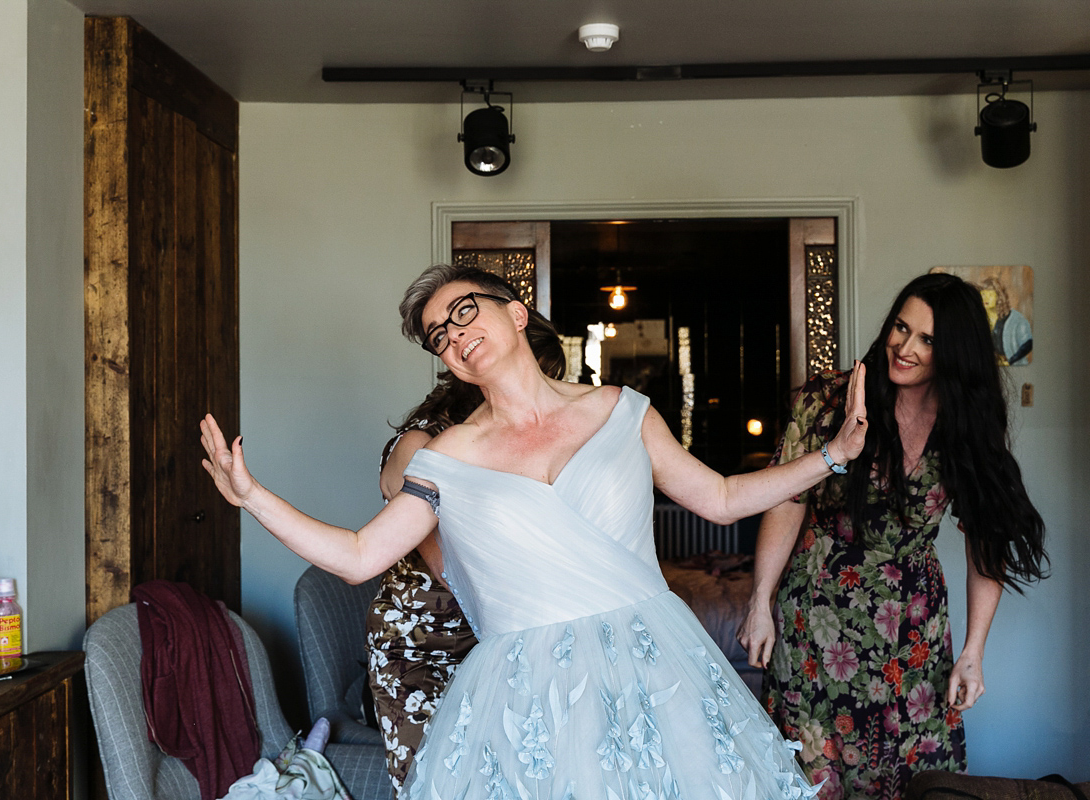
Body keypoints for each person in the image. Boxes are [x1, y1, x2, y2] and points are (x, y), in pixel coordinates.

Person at [200, 264, 869, 800]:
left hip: (652, 665)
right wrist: (252, 496)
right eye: (439, 335)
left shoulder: (620, 409)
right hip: (524, 689)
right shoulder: (448, 456)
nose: (455, 335)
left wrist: (831, 456)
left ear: (515, 314)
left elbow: (721, 499)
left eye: (466, 312)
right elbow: (358, 555)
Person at [737, 273, 1047, 800]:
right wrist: (760, 600)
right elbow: (788, 500)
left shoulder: (965, 424)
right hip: (818, 619)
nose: (904, 347)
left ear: (955, 352)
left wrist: (973, 651)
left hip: (913, 630)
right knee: (811, 781)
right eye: (901, 328)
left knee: (915, 781)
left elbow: (985, 542)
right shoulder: (830, 399)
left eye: (927, 339)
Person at [367, 306, 567, 797]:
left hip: (497, 635)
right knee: (436, 780)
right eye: (543, 377)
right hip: (423, 645)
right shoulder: (423, 445)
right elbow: (446, 561)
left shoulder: (513, 449)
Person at [978, 276, 1032, 365]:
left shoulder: (1015, 319)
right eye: (983, 294)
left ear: (999, 297)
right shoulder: (979, 318)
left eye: (990, 295)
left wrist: (1011, 360)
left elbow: (1028, 343)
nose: (986, 298)